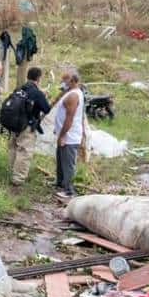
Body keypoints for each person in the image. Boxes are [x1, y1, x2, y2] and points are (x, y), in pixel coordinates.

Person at [7, 67, 53, 187]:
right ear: (39, 78)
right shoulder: (37, 92)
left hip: (14, 124)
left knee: (13, 148)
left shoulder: (19, 89)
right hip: (27, 126)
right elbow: (46, 109)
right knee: (24, 152)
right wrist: (43, 95)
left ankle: (11, 172)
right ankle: (18, 179)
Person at [53, 69, 86, 200]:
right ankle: (60, 183)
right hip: (65, 133)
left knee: (68, 163)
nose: (63, 82)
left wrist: (62, 135)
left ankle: (69, 191)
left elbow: (69, 118)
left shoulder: (73, 96)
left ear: (73, 81)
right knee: (61, 159)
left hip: (69, 136)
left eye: (65, 80)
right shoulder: (71, 93)